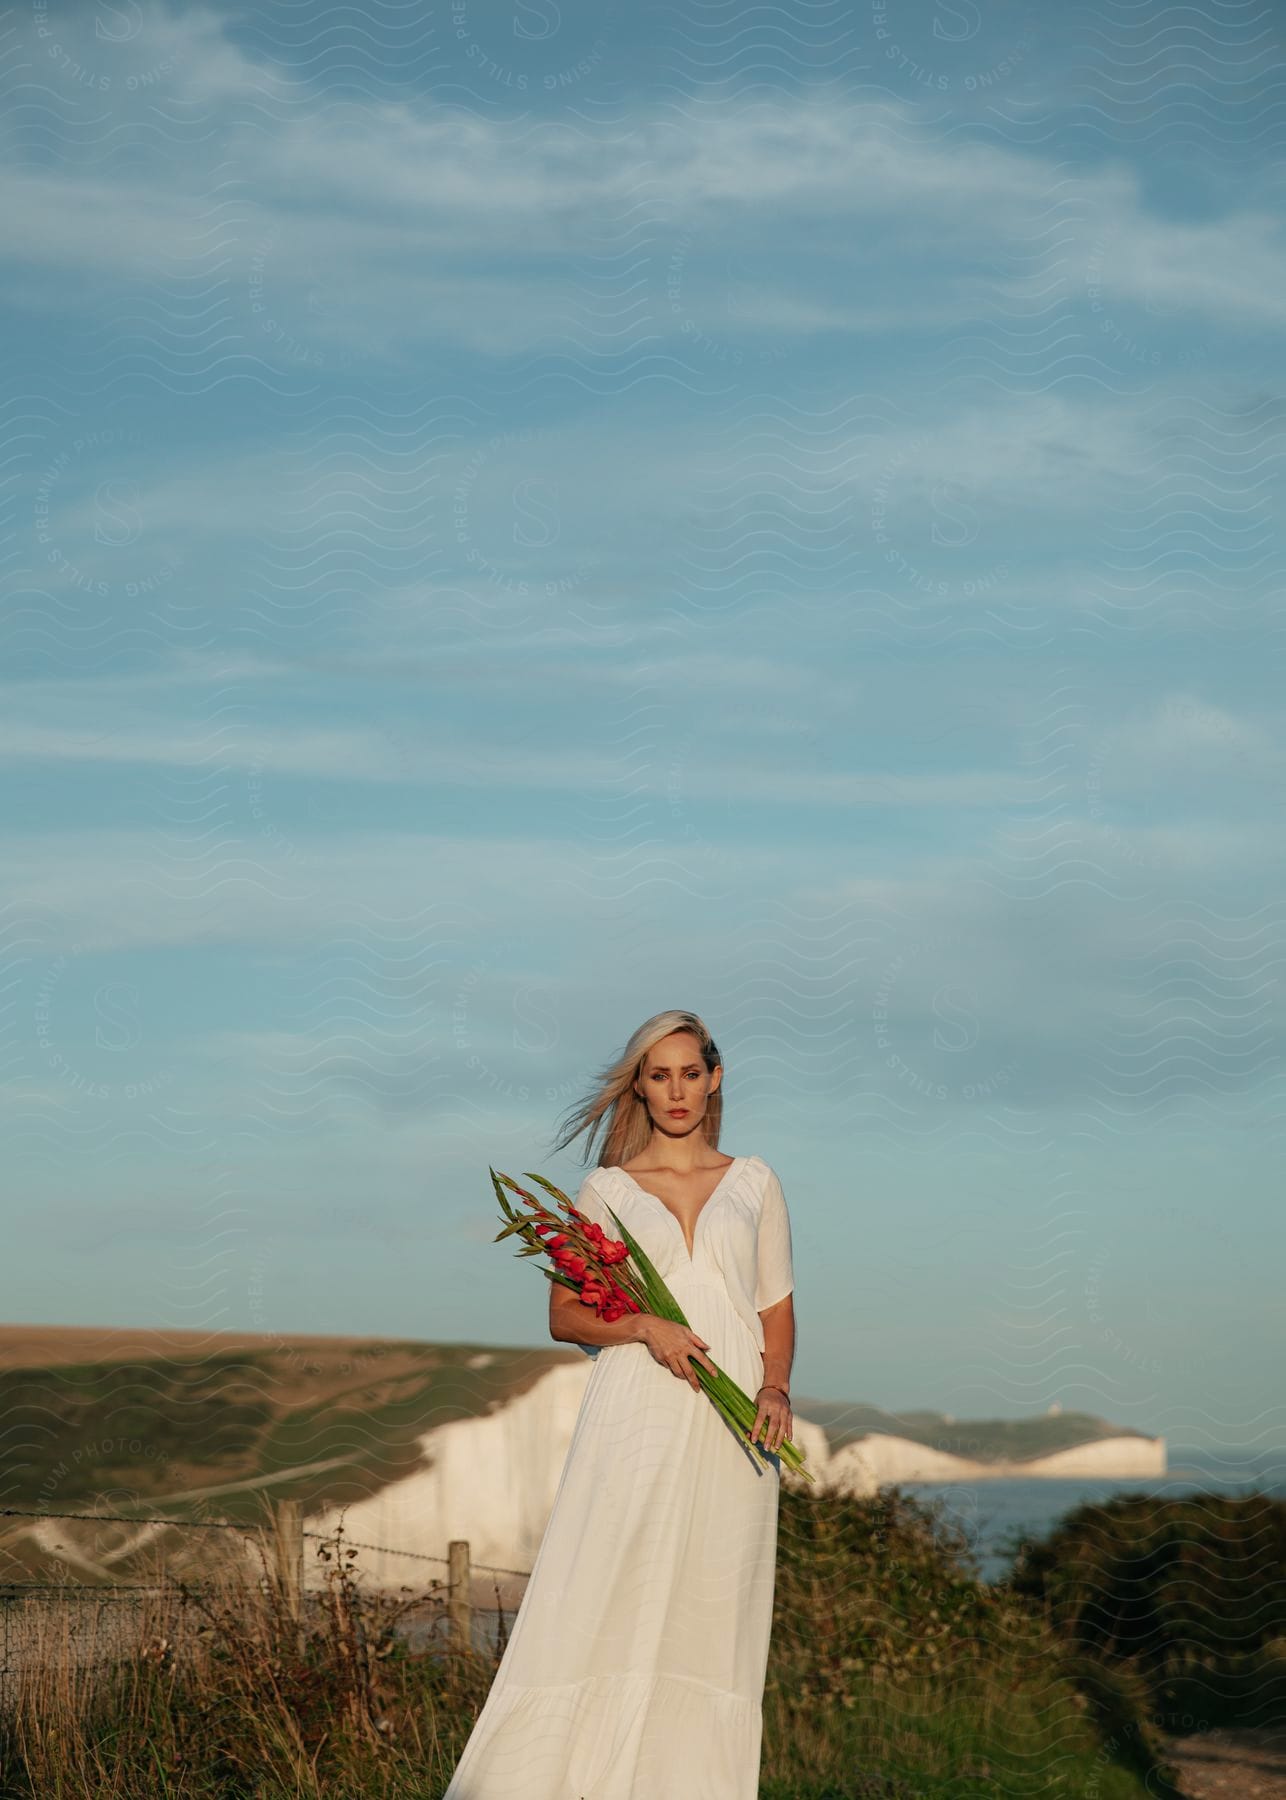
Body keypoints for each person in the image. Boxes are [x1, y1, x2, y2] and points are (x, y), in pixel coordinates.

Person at [442, 1008, 796, 1800]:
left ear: (715, 1077)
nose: (677, 1091)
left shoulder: (756, 1183)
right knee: (604, 1580)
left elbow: (776, 1307)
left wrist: (773, 1385)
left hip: (736, 1422)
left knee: (714, 1608)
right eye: (658, 1074)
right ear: (638, 1085)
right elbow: (565, 1314)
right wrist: (641, 1324)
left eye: (690, 1073)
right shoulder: (605, 1190)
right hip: (638, 1405)